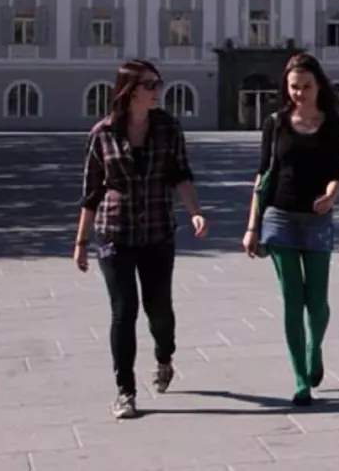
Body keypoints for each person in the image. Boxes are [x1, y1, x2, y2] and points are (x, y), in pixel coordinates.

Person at [75, 59, 208, 420]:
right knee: (123, 311)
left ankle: (164, 356)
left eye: (158, 83)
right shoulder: (102, 133)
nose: (157, 90)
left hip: (157, 230)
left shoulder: (168, 128)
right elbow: (91, 191)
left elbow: (181, 173)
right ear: (129, 90)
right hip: (113, 233)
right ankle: (125, 391)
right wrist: (81, 242)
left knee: (158, 310)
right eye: (150, 84)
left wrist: (195, 210)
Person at [242, 52, 339, 406]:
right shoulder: (275, 123)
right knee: (292, 300)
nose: (300, 93)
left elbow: (336, 173)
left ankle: (314, 348)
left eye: (306, 86)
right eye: (293, 87)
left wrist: (331, 195)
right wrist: (252, 227)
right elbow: (262, 176)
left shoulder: (333, 125)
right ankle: (300, 377)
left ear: (318, 86)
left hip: (317, 221)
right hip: (280, 218)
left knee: (317, 305)